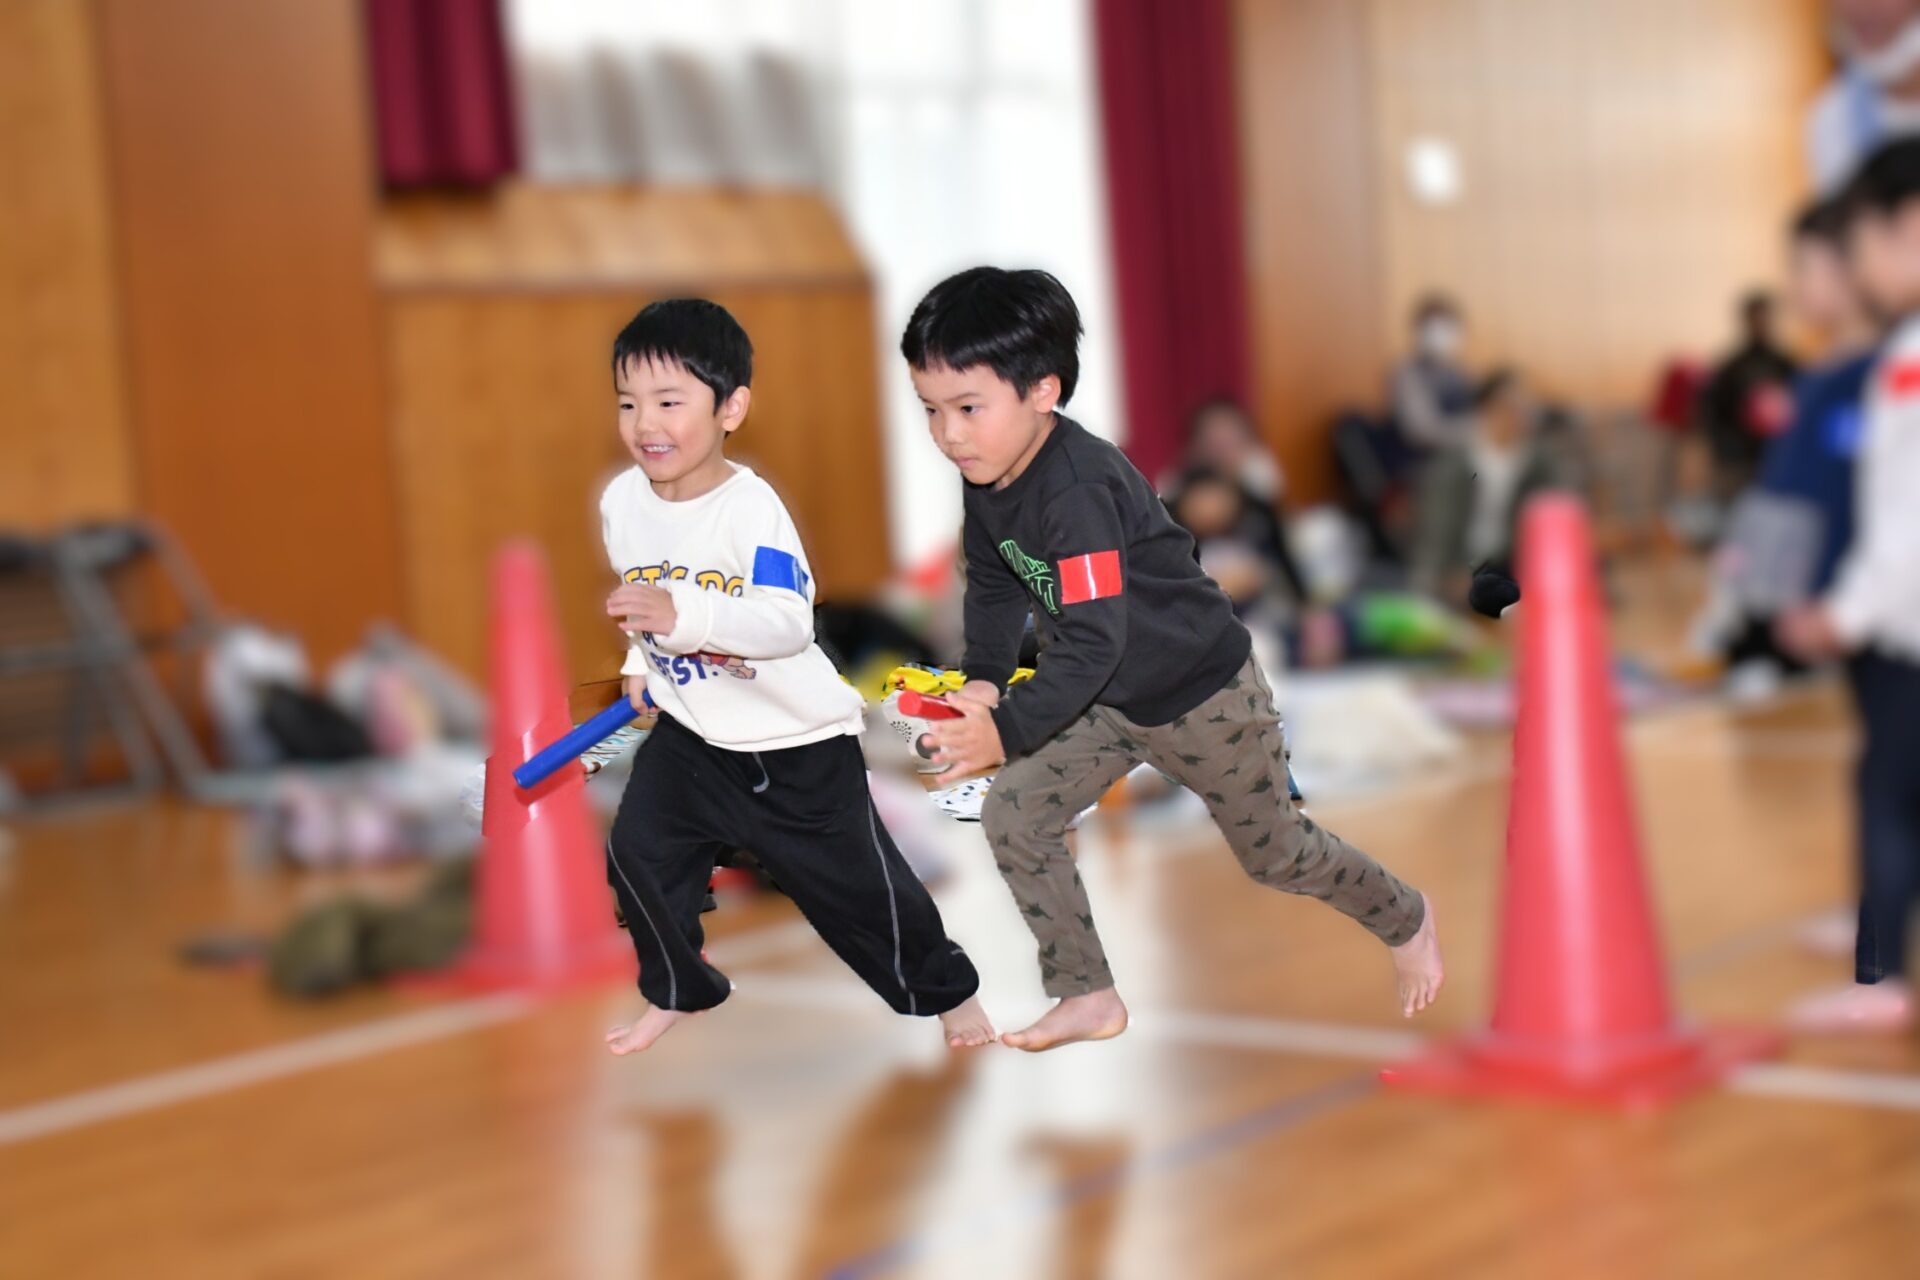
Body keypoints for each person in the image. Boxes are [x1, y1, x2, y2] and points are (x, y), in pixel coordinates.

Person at [900, 267, 1444, 1052]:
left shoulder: (1077, 489)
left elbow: (1096, 641)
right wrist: (983, 682)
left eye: (967, 408)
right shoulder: (987, 479)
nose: (948, 434)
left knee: (1278, 856)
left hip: (1203, 696)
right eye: (930, 410)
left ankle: (1407, 917)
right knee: (1015, 813)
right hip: (1108, 702)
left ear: (1043, 390)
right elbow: (990, 582)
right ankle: (1087, 993)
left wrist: (1006, 730)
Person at [595, 298, 994, 1054]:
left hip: (796, 746)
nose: (645, 422)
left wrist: (683, 616)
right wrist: (638, 662)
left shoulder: (751, 510)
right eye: (628, 402)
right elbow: (643, 598)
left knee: (859, 892)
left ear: (731, 408)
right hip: (696, 736)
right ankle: (679, 988)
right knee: (637, 852)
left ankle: (946, 992)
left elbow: (785, 623)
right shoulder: (622, 502)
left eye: (669, 402)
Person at [1777, 138, 1920, 1031]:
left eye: (1862, 244)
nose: (1861, 269)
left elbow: (1905, 519)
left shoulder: (1908, 359)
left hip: (1904, 634)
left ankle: (1881, 978)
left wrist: (1846, 612)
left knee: (1887, 796)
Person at [1409, 368, 1578, 602]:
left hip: (1513, 563)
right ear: (1487, 409)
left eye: (1526, 407)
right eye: (1511, 406)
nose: (1520, 415)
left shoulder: (1539, 462)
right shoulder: (1456, 462)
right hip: (1460, 563)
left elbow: (1559, 514)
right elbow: (1438, 529)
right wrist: (1435, 579)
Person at [1699, 291, 1799, 510]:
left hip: (1776, 457)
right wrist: (1727, 451)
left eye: (1765, 318)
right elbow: (1714, 415)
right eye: (1755, 318)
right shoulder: (1730, 368)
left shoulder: (1786, 365)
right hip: (1740, 461)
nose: (1760, 324)